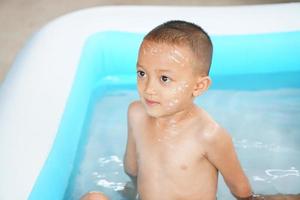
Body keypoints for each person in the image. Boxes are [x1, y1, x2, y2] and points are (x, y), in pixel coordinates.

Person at [123, 20, 257, 200]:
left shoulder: (208, 134)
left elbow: (242, 191)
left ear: (199, 86)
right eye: (142, 73)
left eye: (164, 78)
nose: (148, 89)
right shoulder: (136, 114)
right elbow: (132, 169)